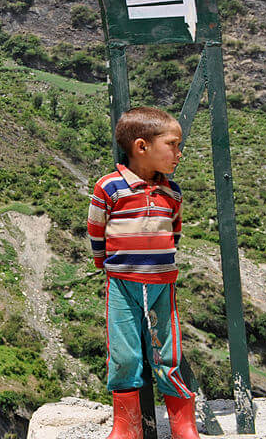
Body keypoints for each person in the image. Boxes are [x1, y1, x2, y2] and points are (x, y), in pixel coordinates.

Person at [87, 106, 199, 439]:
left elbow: (174, 233)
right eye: (173, 145)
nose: (179, 154)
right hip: (122, 285)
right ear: (141, 147)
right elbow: (97, 229)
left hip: (163, 285)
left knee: (169, 351)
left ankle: (183, 424)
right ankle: (127, 426)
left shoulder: (172, 193)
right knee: (123, 354)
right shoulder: (110, 188)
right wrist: (104, 264)